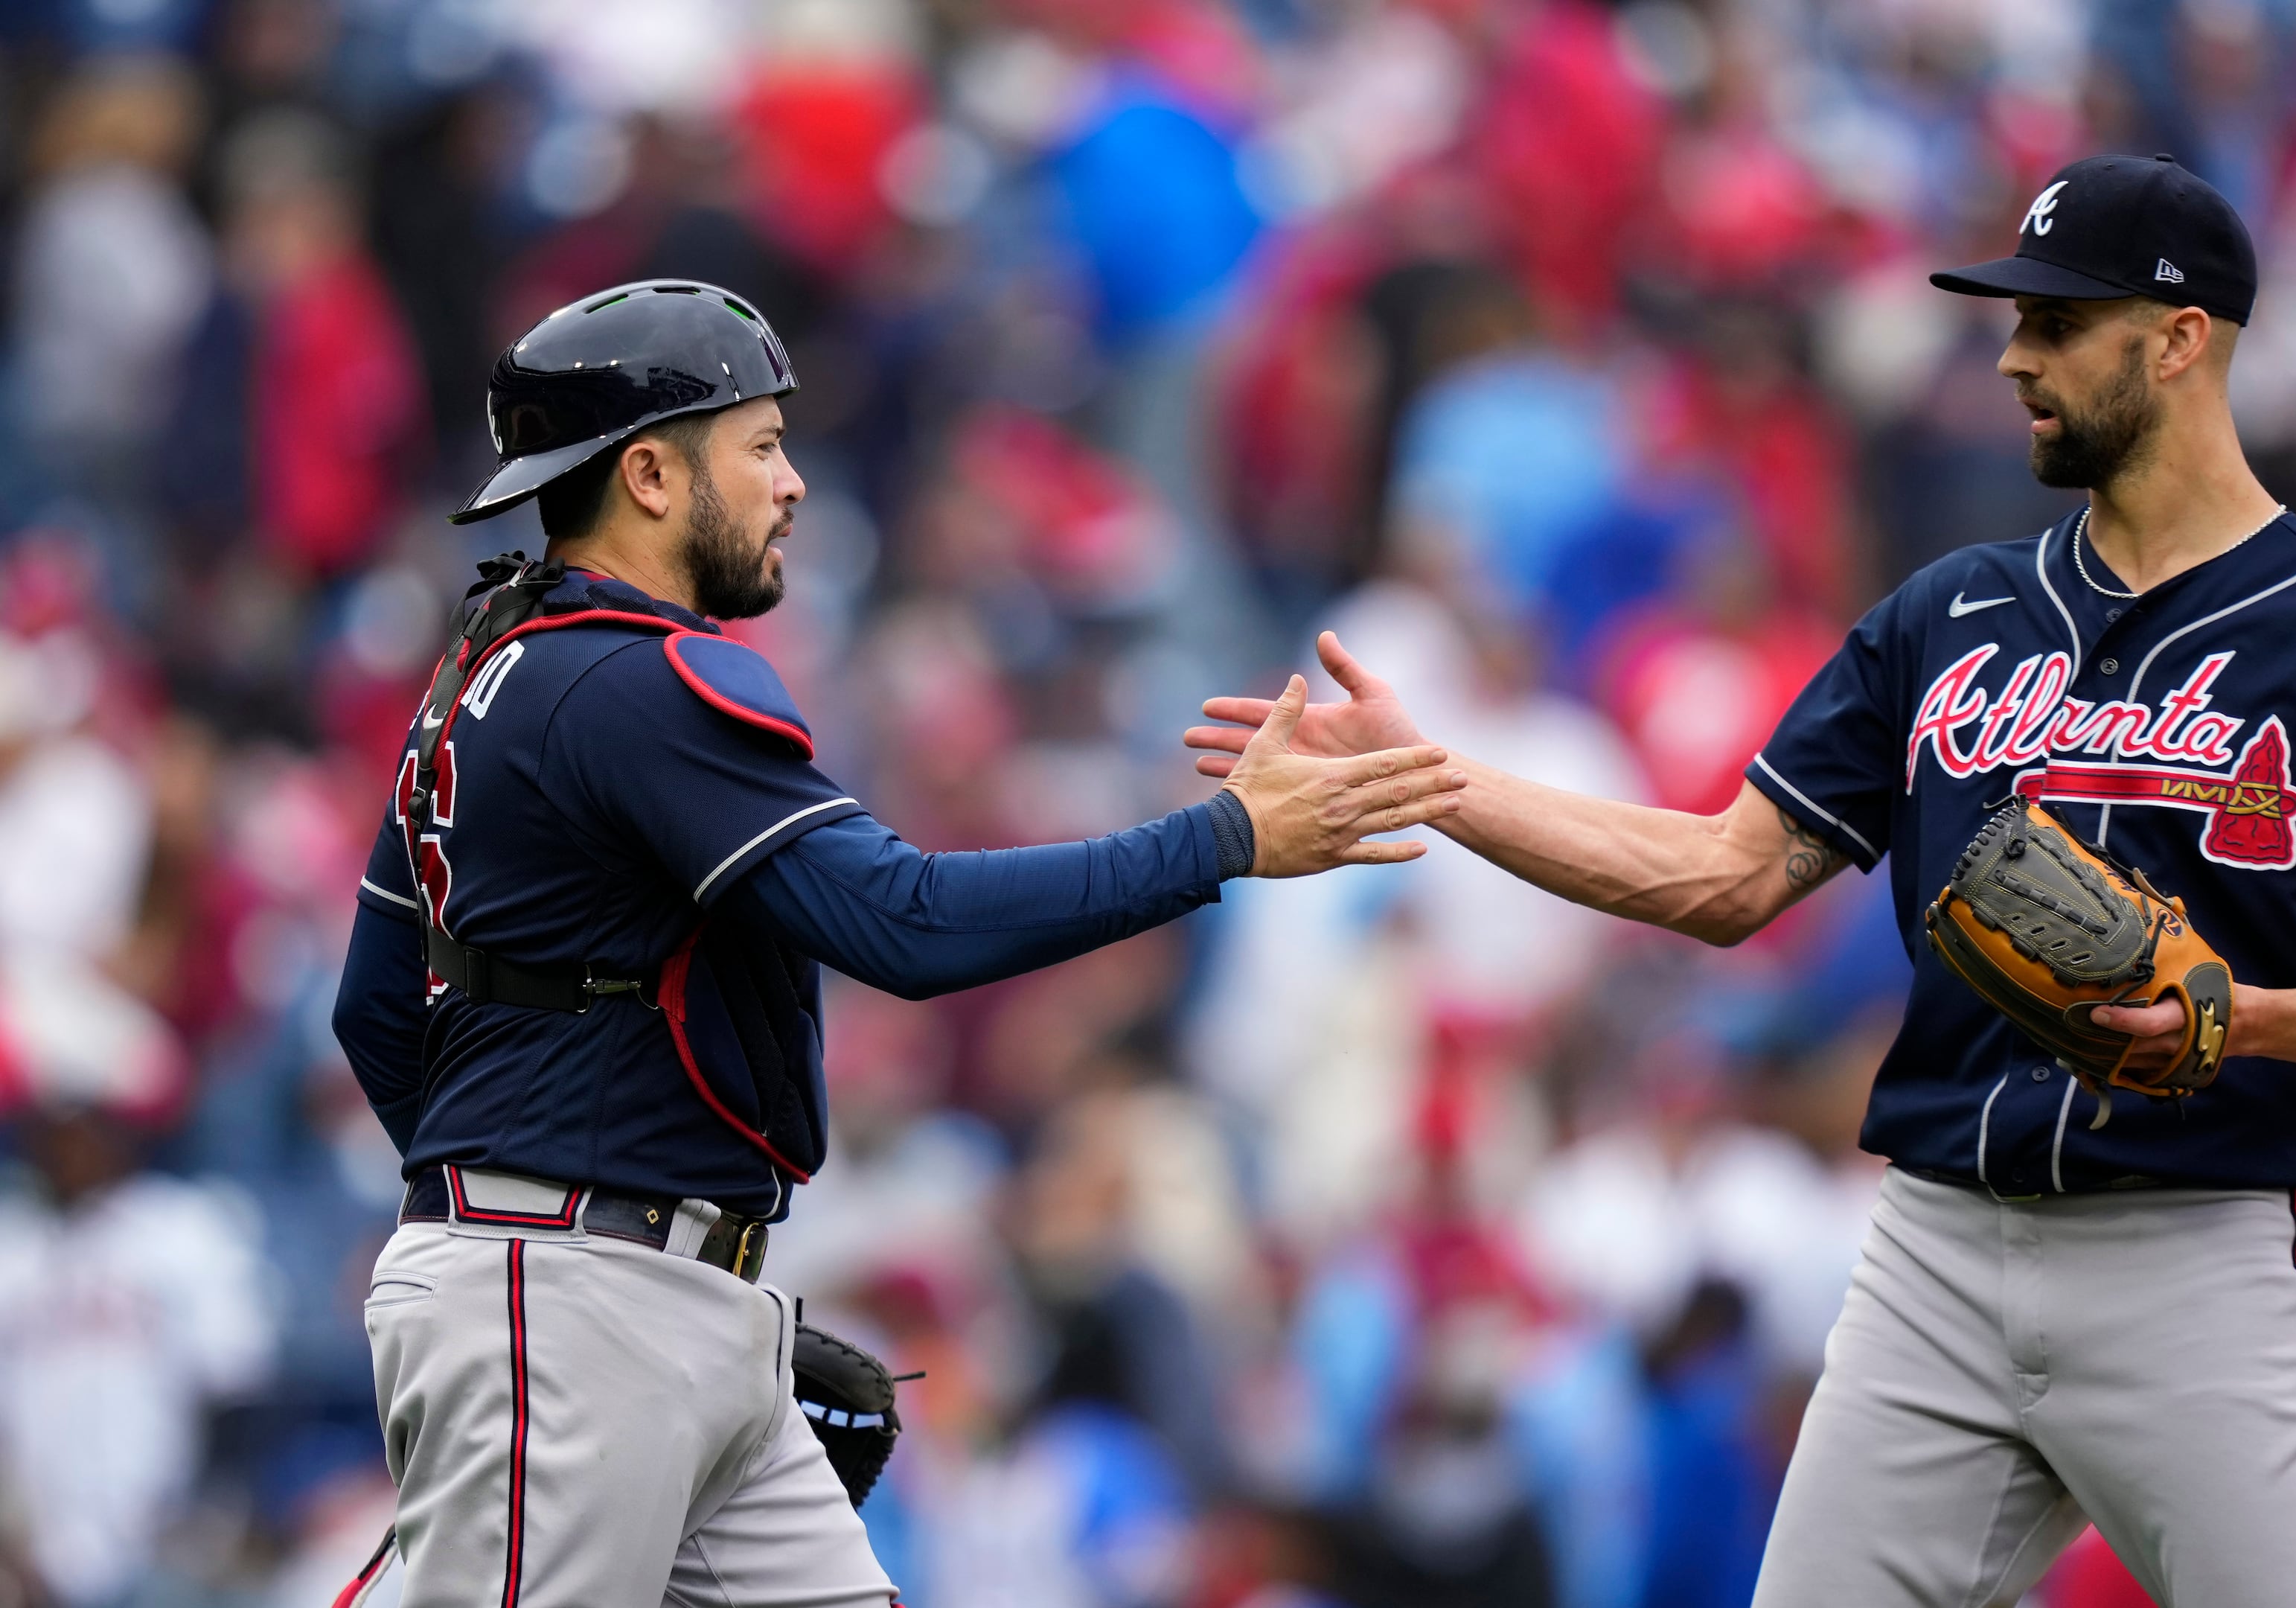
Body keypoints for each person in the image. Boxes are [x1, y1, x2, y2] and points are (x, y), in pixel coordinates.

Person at [1189, 156, 2296, 1606]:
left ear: (2181, 339)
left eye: (2057, 323)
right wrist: (1436, 778)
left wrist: (2258, 1017)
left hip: (2197, 1254)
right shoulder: (1953, 614)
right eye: (2010, 321)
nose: (2015, 357)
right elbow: (1722, 876)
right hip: (1938, 1253)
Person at [327, 279, 1468, 1607]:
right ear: (647, 474)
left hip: (628, 1290)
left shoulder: (485, 671)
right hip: (573, 1302)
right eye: (758, 444)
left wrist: (622, 1237)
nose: (793, 483)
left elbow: (377, 1012)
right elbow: (902, 923)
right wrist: (1223, 838)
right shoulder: (633, 676)